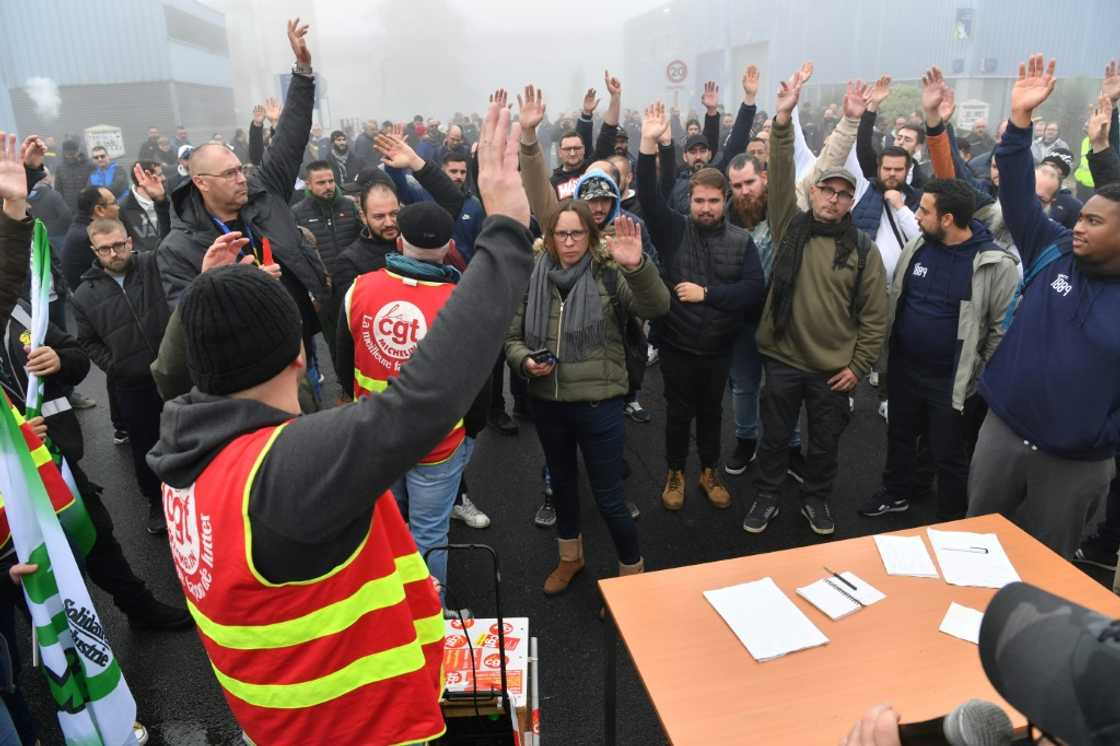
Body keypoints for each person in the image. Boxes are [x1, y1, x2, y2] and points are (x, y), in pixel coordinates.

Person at [147, 89, 534, 745]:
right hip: (367, 729)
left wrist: (205, 295)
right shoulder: (280, 472)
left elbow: (169, 372)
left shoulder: (184, 457)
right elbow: (424, 400)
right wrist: (506, 235)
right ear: (298, 356)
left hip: (284, 723)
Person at [967, 54, 1120, 559]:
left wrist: (1096, 435)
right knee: (973, 552)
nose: (1079, 225)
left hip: (1075, 463)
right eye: (1082, 216)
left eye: (1094, 221)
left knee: (1045, 571)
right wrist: (1018, 122)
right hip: (1003, 433)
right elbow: (1016, 195)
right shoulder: (1051, 249)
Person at [745, 66, 888, 537]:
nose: (834, 198)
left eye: (844, 194)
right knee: (774, 439)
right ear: (814, 192)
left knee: (824, 446)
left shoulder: (862, 250)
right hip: (783, 359)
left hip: (833, 370)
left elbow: (875, 315)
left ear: (851, 202)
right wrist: (782, 120)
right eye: (827, 189)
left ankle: (816, 500)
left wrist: (859, 365)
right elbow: (780, 170)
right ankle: (767, 496)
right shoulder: (790, 226)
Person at [505, 200, 668, 595]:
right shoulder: (534, 274)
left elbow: (657, 306)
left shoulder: (609, 271)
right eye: (561, 234)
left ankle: (631, 575)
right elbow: (510, 337)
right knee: (562, 486)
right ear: (549, 237)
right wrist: (525, 360)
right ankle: (570, 558)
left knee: (609, 496)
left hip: (599, 404)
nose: (569, 242)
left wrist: (637, 266)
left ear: (590, 236)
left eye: (577, 233)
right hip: (548, 402)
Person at [336, 201, 491, 606]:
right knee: (430, 533)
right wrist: (471, 432)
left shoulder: (359, 289)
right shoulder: (463, 302)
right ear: (448, 247)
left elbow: (343, 361)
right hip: (437, 442)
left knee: (389, 530)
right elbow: (479, 382)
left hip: (377, 434)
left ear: (400, 241)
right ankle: (431, 613)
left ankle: (393, 610)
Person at [157, 20, 328, 368]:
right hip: (249, 361)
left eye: (240, 169)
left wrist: (302, 71)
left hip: (302, 335)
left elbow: (291, 134)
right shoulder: (179, 248)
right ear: (201, 182)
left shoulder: (264, 188)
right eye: (230, 174)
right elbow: (189, 323)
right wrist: (239, 287)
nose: (242, 179)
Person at [637, 102, 765, 513]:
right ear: (689, 201)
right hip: (677, 345)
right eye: (698, 201)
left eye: (712, 201)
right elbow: (648, 196)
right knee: (678, 415)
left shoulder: (741, 242)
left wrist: (707, 294)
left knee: (712, 414)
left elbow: (753, 291)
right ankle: (675, 472)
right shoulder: (674, 230)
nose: (705, 208)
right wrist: (648, 144)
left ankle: (709, 472)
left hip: (719, 348)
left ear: (725, 200)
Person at [71, 217, 171, 534]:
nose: (114, 253)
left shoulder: (154, 265)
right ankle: (156, 502)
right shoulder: (83, 295)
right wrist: (116, 366)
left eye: (119, 244)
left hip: (176, 371)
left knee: (194, 431)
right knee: (145, 445)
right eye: (105, 249)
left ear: (129, 241)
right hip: (133, 383)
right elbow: (87, 341)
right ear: (94, 250)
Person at [291, 159, 362, 355]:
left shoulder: (349, 206)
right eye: (321, 183)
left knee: (362, 340)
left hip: (354, 287)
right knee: (337, 346)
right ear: (309, 184)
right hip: (325, 293)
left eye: (331, 181)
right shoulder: (297, 213)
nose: (328, 186)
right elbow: (297, 255)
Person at [120, 161, 171, 254]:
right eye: (159, 175)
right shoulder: (122, 209)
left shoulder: (169, 200)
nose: (164, 178)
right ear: (144, 178)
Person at [1036, 148, 1083, 229]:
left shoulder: (1073, 205)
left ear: (1064, 174)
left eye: (1054, 166)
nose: (1048, 168)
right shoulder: (1024, 190)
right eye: (1045, 164)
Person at [55, 140, 93, 213]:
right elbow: (58, 189)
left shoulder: (89, 166)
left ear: (77, 152)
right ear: (64, 153)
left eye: (72, 154)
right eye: (68, 154)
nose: (70, 157)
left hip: (86, 206)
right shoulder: (60, 168)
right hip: (68, 208)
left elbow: (92, 187)